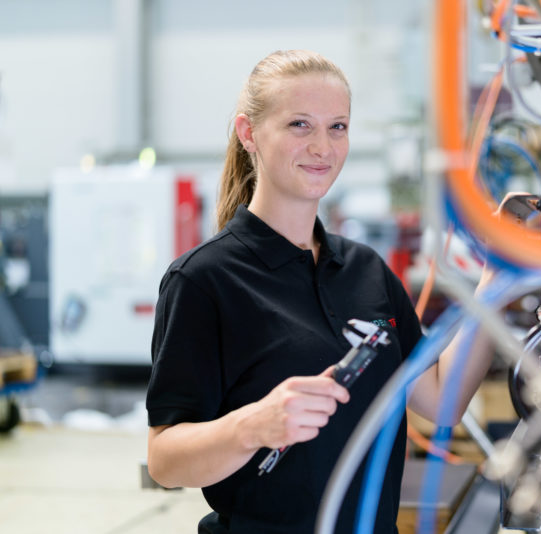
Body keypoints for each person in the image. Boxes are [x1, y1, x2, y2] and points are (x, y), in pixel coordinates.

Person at [146, 49, 494, 534]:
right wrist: (255, 424)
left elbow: (440, 401)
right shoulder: (205, 281)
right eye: (300, 125)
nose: (323, 148)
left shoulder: (365, 270)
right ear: (249, 133)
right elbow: (164, 459)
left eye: (338, 127)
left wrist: (496, 280)